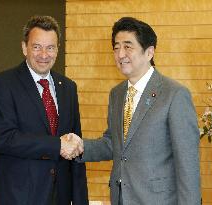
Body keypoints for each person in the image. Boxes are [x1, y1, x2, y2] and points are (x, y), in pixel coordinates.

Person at [62, 17, 201, 205]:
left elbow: (188, 165)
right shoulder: (117, 94)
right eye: (116, 47)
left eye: (128, 46)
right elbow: (114, 144)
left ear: (149, 52)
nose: (120, 54)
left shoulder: (174, 94)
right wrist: (80, 146)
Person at [0, 15, 88, 205]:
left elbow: (75, 146)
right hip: (18, 197)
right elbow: (4, 138)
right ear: (24, 48)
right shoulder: (3, 84)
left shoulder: (68, 87)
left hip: (60, 196)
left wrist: (80, 199)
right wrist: (56, 145)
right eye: (37, 47)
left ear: (57, 50)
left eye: (50, 47)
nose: (44, 54)